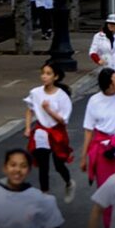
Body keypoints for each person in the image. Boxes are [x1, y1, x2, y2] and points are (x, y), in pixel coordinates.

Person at [80, 68, 115, 228]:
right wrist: (84, 157)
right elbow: (89, 129)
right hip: (103, 148)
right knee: (106, 190)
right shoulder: (94, 101)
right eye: (113, 82)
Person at [23, 62, 75, 203]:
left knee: (58, 165)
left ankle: (69, 182)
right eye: (43, 73)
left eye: (48, 74)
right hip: (41, 131)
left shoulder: (62, 96)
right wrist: (28, 127)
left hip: (57, 132)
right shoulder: (35, 93)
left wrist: (48, 110)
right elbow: (29, 109)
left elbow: (63, 121)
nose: (44, 77)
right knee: (43, 164)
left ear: (56, 77)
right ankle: (44, 194)